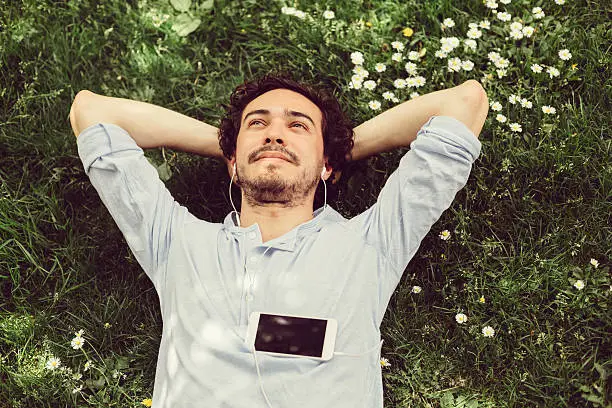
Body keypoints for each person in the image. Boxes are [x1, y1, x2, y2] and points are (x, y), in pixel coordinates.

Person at [70, 73, 488, 407]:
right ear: (232, 162)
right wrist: (234, 149)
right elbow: (92, 112)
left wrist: (336, 150)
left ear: (327, 165)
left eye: (297, 126)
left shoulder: (371, 243)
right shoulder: (177, 241)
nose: (274, 135)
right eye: (258, 124)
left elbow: (464, 103)